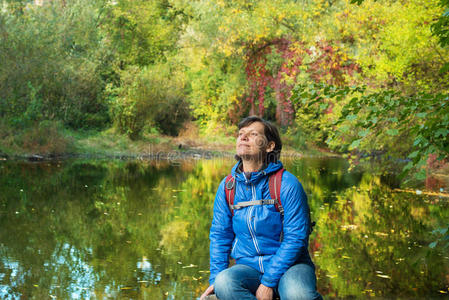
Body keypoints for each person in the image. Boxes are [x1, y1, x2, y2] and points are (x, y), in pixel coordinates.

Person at [200, 116, 322, 300]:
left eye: (253, 134)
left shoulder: (287, 184)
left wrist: (268, 282)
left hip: (291, 266)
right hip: (249, 268)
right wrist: (215, 280)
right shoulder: (227, 187)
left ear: (269, 146)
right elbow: (220, 236)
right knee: (224, 282)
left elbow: (296, 238)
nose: (243, 137)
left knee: (298, 294)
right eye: (241, 134)